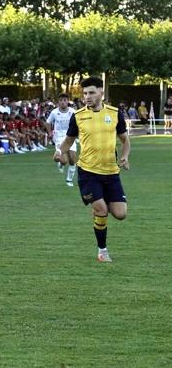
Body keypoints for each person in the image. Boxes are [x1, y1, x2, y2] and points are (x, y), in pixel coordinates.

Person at [54, 76, 130, 263]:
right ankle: (102, 251)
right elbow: (69, 140)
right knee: (102, 209)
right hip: (88, 172)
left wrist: (125, 156)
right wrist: (59, 152)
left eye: (91, 92)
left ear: (101, 93)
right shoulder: (78, 116)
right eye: (85, 93)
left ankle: (97, 208)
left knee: (121, 214)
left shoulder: (114, 113)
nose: (87, 96)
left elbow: (125, 139)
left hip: (111, 172)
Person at [46, 93, 77, 186]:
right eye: (61, 100)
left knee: (72, 159)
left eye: (65, 100)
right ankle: (61, 163)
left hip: (70, 136)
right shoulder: (54, 112)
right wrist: (50, 132)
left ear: (68, 101)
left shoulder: (73, 112)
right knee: (64, 160)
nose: (63, 102)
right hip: (59, 137)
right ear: (58, 102)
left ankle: (69, 180)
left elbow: (79, 122)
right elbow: (48, 123)